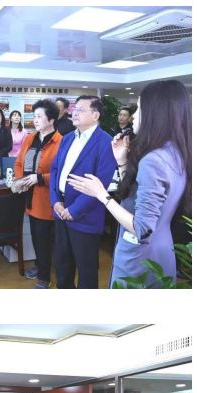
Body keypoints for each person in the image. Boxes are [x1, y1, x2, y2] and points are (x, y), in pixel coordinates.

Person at [66, 80, 190, 288]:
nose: (133, 116)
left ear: (155, 113)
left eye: (139, 108)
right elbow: (139, 197)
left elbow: (142, 229)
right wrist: (123, 162)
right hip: (161, 248)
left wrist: (101, 194)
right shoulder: (175, 152)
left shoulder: (154, 160)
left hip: (140, 258)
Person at [49, 95, 116, 289]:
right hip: (61, 211)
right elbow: (55, 170)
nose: (74, 113)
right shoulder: (68, 138)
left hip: (85, 217)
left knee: (86, 271)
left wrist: (74, 210)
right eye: (74, 109)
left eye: (80, 110)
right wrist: (56, 202)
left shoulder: (106, 142)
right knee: (62, 266)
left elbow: (101, 184)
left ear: (95, 115)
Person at [12, 99, 63, 289]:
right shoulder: (30, 138)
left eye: (39, 116)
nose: (35, 120)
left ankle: (44, 278)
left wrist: (39, 178)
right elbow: (19, 162)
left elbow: (62, 173)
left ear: (51, 119)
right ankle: (41, 266)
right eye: (34, 116)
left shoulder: (61, 141)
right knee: (36, 236)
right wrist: (21, 180)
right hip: (29, 196)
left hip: (48, 199)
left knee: (45, 240)